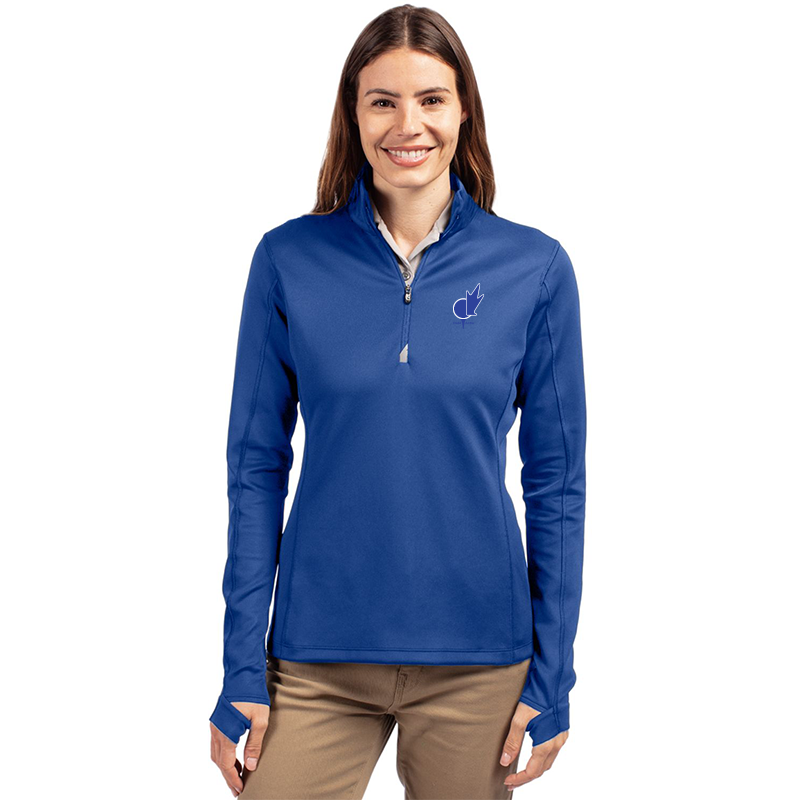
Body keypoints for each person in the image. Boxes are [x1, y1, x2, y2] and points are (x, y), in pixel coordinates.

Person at [209, 5, 587, 799]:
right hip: (315, 657)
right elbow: (254, 471)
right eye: (383, 101)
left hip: (480, 662)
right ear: (353, 113)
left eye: (431, 99)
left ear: (463, 111)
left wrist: (553, 674)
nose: (407, 125)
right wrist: (242, 664)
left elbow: (558, 486)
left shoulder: (535, 268)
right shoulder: (287, 259)